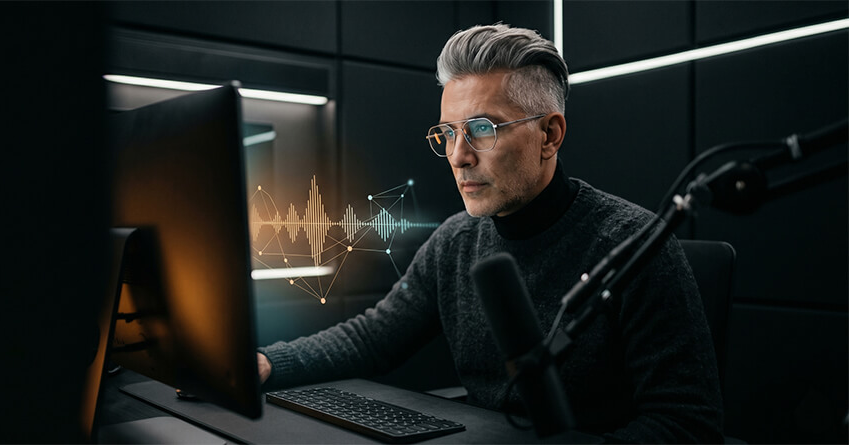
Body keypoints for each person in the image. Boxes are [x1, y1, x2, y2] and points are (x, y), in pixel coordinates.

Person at [257, 24, 724, 443]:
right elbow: (371, 339)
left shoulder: (637, 245)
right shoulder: (455, 241)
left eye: (482, 129)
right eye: (448, 133)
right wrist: (265, 363)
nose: (458, 156)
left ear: (549, 135)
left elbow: (687, 425)